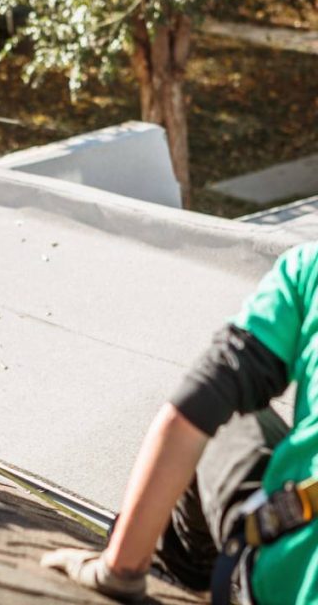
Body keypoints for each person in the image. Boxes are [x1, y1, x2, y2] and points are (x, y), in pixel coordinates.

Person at [43, 244, 318, 604]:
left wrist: (116, 571)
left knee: (222, 419)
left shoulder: (308, 270)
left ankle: (178, 576)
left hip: (291, 585)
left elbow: (190, 415)